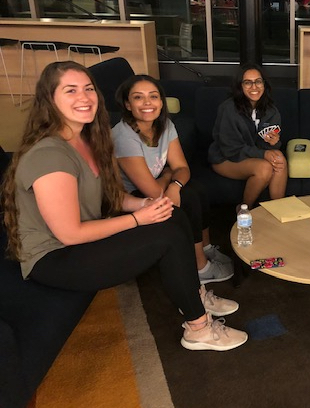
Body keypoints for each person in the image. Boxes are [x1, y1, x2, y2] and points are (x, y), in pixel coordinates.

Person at [1, 61, 247, 352]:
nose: (84, 97)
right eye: (70, 90)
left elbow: (111, 196)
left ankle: (194, 294)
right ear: (49, 100)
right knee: (166, 235)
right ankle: (198, 329)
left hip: (82, 241)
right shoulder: (50, 155)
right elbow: (69, 234)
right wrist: (138, 219)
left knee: (172, 215)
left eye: (89, 89)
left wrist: (144, 204)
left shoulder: (87, 141)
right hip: (55, 258)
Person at [112, 74, 233, 284]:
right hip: (130, 197)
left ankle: (205, 248)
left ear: (161, 101)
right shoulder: (124, 137)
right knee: (189, 199)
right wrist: (169, 175)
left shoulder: (165, 125)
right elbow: (153, 191)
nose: (148, 103)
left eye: (153, 96)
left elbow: (182, 167)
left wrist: (174, 184)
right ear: (127, 104)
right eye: (138, 97)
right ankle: (200, 267)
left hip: (159, 184)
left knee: (197, 189)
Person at [209, 63, 287, 209]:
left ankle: (278, 210)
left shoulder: (271, 111)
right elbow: (230, 148)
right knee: (264, 168)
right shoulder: (228, 109)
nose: (254, 87)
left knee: (279, 159)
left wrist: (273, 143)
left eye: (258, 81)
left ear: (264, 84)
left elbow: (266, 145)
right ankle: (244, 210)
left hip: (251, 155)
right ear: (240, 86)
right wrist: (263, 154)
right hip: (226, 158)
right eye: (248, 83)